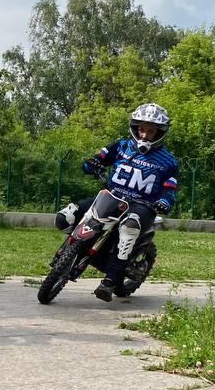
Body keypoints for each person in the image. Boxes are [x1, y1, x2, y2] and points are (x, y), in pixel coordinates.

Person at [54, 103, 178, 302]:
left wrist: (164, 201)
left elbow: (169, 189)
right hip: (111, 197)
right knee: (66, 216)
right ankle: (70, 250)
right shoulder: (121, 145)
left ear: (160, 133)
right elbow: (96, 160)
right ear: (135, 128)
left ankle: (110, 282)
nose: (144, 135)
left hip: (142, 206)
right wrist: (91, 164)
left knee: (129, 227)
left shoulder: (168, 161)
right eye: (141, 129)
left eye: (151, 131)